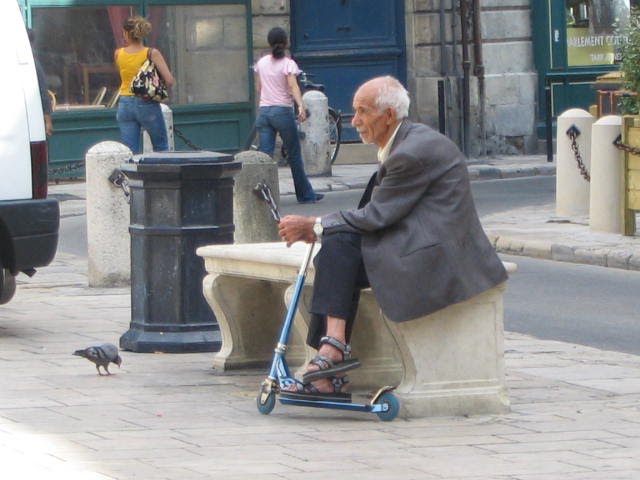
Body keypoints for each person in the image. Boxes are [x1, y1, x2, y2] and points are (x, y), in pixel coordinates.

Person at [278, 76, 508, 397]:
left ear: (388, 115)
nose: (354, 121)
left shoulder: (410, 153)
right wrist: (326, 228)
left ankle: (331, 353)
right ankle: (331, 352)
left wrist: (314, 225)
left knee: (338, 240)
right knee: (338, 243)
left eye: (362, 112)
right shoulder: (404, 142)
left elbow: (376, 216)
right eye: (354, 112)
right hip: (414, 238)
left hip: (436, 254)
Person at [254, 27, 322, 204]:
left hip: (264, 111)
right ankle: (306, 195)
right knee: (294, 154)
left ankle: (262, 194)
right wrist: (301, 106)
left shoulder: (261, 63)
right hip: (282, 112)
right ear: (285, 43)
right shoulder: (288, 63)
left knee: (265, 156)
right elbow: (293, 87)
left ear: (269, 43)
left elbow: (259, 89)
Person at [114, 16, 174, 154]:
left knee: (130, 151)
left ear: (127, 33)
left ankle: (133, 175)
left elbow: (123, 76)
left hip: (124, 103)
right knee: (161, 147)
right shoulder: (152, 53)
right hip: (146, 101)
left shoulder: (118, 54)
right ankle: (162, 175)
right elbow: (169, 80)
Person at [27, 29, 53, 137]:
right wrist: (48, 120)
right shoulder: (32, 63)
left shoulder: (32, 63)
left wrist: (47, 119)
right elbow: (43, 91)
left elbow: (43, 91)